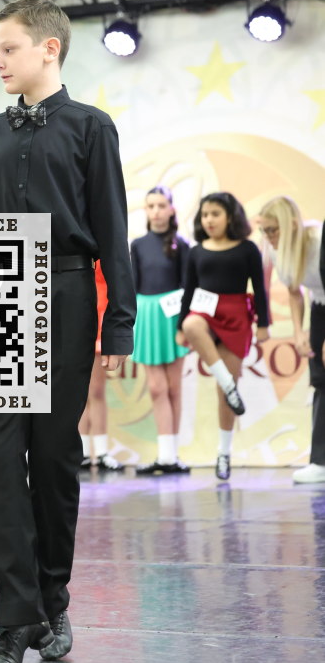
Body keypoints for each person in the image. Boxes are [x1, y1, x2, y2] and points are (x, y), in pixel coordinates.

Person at [0, 0, 135, 663]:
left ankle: (53, 601)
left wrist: (118, 327)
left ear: (49, 48)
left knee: (54, 457)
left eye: (8, 48)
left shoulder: (92, 127)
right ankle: (17, 619)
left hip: (66, 297)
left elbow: (112, 230)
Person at [177, 192, 269, 482]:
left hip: (236, 316)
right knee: (192, 326)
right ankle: (230, 384)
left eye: (215, 214)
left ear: (230, 217)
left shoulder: (247, 249)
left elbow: (260, 288)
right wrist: (179, 326)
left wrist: (264, 323)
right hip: (204, 312)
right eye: (205, 215)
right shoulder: (196, 251)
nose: (209, 220)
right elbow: (188, 290)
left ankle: (224, 453)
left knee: (223, 396)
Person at [258, 197, 325, 485]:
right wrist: (299, 333)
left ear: (293, 226)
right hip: (319, 307)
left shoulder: (319, 240)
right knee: (320, 380)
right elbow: (295, 292)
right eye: (264, 230)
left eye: (273, 230)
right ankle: (320, 462)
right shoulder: (277, 252)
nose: (268, 237)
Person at [132, 186, 191, 475]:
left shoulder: (182, 245)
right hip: (147, 316)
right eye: (151, 206)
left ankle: (170, 455)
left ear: (171, 209)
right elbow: (133, 285)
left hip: (173, 317)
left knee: (173, 387)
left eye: (161, 205)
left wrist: (183, 325)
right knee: (156, 388)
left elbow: (188, 287)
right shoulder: (137, 245)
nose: (156, 211)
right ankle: (165, 454)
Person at [78, 262, 125, 472]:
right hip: (78, 318)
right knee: (78, 393)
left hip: (101, 320)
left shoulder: (107, 254)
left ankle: (101, 452)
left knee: (96, 391)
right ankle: (82, 452)